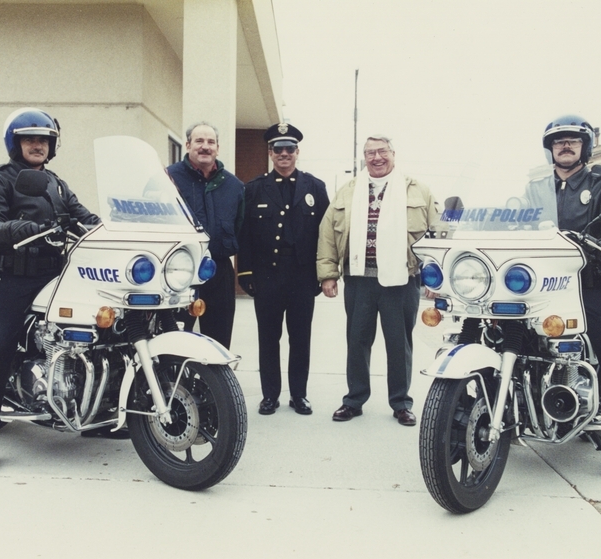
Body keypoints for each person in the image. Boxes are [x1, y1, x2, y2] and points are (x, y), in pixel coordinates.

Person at [0, 108, 101, 476]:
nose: (38, 145)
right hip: (12, 276)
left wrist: (113, 229)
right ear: (15, 143)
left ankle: (94, 410)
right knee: (1, 346)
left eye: (44, 139)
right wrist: (25, 227)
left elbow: (84, 218)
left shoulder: (57, 184)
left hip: (56, 273)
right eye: (30, 138)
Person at [525, 114, 601, 485]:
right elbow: (515, 218)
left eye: (572, 141)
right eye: (558, 141)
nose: (565, 145)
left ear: (584, 147)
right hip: (540, 283)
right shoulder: (536, 188)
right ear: (550, 148)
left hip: (588, 280)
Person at [317, 135, 438, 426]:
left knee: (399, 345)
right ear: (364, 157)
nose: (376, 158)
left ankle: (401, 403)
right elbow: (328, 235)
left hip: (400, 281)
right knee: (357, 342)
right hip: (359, 280)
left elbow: (435, 235)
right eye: (370, 153)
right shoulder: (348, 191)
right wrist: (328, 274)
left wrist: (435, 278)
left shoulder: (418, 191)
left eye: (382, 151)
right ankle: (354, 400)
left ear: (393, 154)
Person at [237, 123, 330, 415]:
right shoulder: (253, 189)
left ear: (297, 152)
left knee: (300, 338)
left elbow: (326, 234)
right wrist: (246, 272)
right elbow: (245, 235)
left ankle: (299, 395)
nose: (284, 154)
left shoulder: (315, 187)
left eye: (290, 149)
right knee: (268, 338)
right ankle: (270, 395)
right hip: (268, 276)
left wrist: (323, 272)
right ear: (270, 153)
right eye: (278, 149)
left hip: (302, 276)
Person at [167, 122, 245, 349]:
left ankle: (213, 384)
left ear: (218, 148)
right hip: (179, 272)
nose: (205, 147)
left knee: (218, 342)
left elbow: (240, 227)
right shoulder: (168, 179)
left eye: (210, 142)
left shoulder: (234, 186)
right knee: (175, 339)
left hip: (219, 272)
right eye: (199, 141)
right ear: (188, 145)